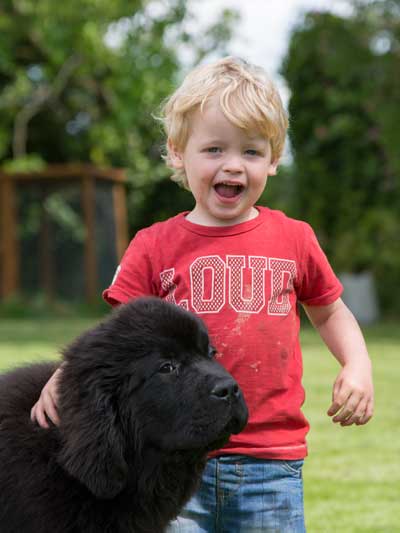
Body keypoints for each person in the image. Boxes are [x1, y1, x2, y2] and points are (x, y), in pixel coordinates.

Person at [31, 57, 374, 532]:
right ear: (177, 153)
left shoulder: (294, 238)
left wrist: (357, 365)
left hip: (269, 461)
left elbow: (330, 310)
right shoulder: (155, 244)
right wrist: (68, 375)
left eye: (251, 152)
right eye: (214, 149)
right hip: (174, 457)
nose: (233, 164)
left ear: (274, 160)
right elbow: (119, 339)